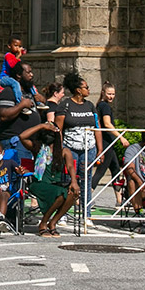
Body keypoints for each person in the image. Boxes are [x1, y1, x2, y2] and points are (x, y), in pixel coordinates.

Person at [54, 73, 103, 224]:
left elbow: (97, 127)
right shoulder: (65, 105)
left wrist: (100, 150)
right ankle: (62, 213)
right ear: (78, 90)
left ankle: (86, 214)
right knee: (68, 180)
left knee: (86, 180)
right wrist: (59, 149)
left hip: (89, 149)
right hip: (71, 149)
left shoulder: (90, 106)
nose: (88, 90)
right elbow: (58, 129)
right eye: (86, 87)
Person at [29, 124, 76, 237]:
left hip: (56, 185)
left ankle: (53, 222)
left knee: (72, 194)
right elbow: (22, 136)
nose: (48, 135)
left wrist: (74, 181)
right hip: (39, 184)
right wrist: (41, 126)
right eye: (46, 133)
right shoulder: (37, 148)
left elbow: (70, 167)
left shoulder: (64, 151)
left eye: (51, 133)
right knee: (60, 194)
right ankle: (43, 223)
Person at [96, 83, 129, 206]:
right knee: (100, 171)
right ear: (103, 93)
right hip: (107, 142)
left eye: (113, 94)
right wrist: (121, 137)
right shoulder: (104, 106)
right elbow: (107, 124)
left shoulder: (101, 105)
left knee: (115, 170)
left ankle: (119, 201)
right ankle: (85, 199)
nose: (111, 96)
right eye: (109, 94)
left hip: (109, 142)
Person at [0, 35, 27, 101]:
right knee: (15, 84)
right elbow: (12, 65)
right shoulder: (8, 55)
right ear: (9, 46)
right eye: (16, 46)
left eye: (19, 46)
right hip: (5, 78)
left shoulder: (16, 58)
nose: (18, 48)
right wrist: (19, 55)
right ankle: (19, 101)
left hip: (12, 78)